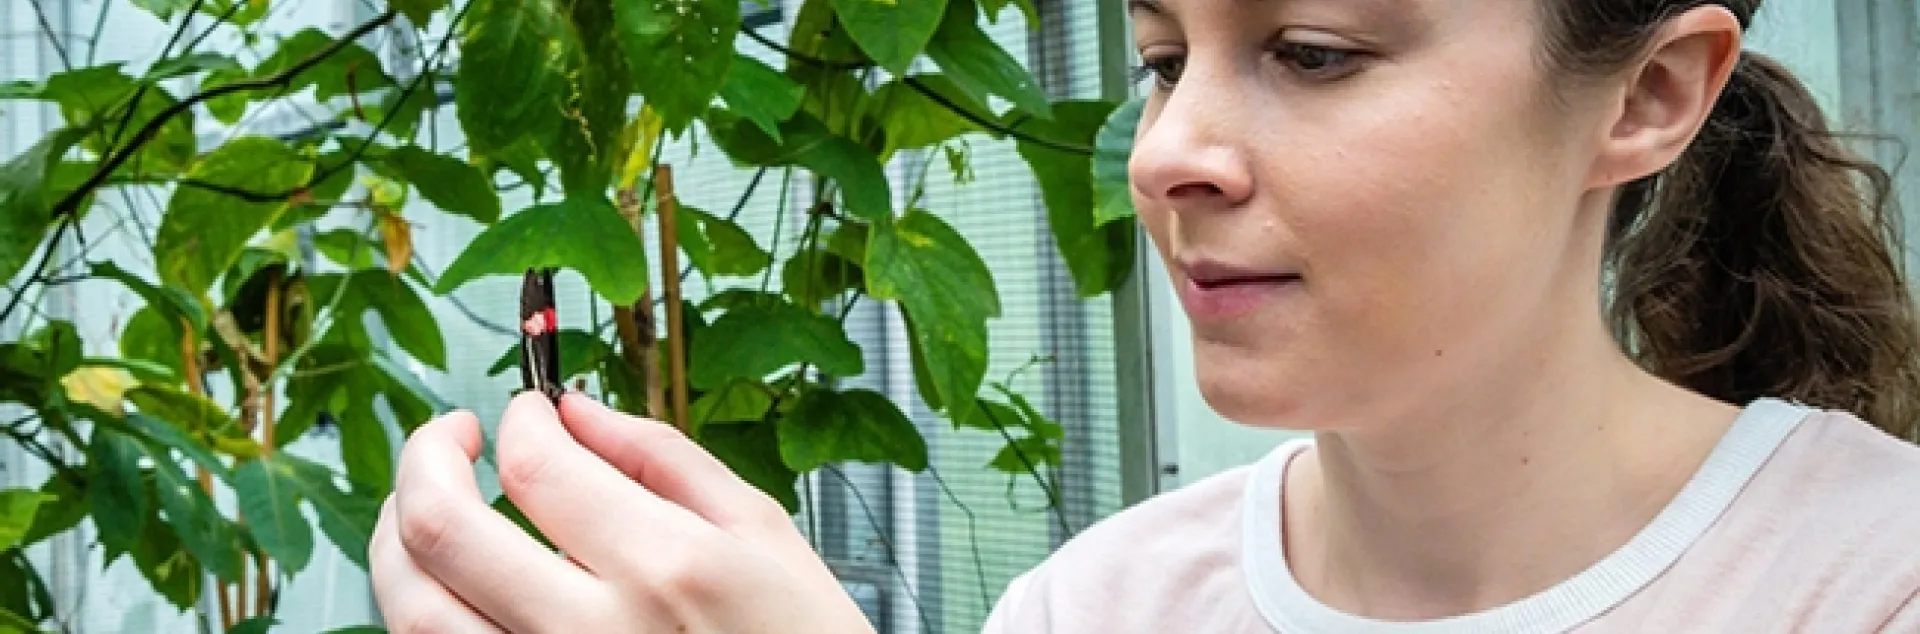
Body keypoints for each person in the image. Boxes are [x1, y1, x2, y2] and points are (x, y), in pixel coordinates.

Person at [367, 0, 1920, 631]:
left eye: (1311, 50)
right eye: (1163, 56)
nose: (1167, 152)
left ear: (1646, 97)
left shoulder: (1870, 580)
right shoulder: (1089, 608)